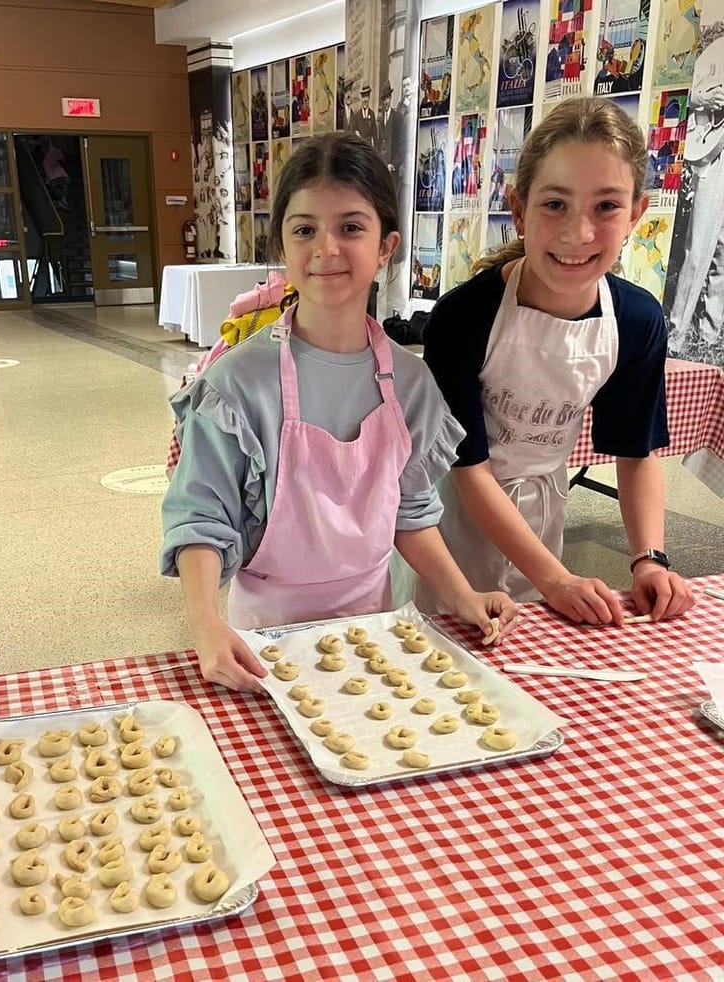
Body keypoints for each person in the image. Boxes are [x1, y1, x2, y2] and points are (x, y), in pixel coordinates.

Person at [161, 132, 517, 692]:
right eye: (304, 229)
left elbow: (410, 513)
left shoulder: (411, 383)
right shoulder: (235, 384)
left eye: (351, 227)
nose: (326, 248)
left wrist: (460, 594)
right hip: (264, 636)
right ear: (282, 245)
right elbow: (201, 519)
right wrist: (205, 623)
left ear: (385, 246)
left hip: (376, 622)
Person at [419, 96, 695, 626]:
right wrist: (555, 578)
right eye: (555, 205)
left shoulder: (636, 321)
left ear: (637, 213)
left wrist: (648, 558)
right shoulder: (463, 318)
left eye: (606, 206)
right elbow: (468, 466)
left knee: (529, 647)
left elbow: (636, 453)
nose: (578, 233)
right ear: (518, 208)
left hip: (544, 507)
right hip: (453, 515)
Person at [667, 28, 724, 357]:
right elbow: (680, 92)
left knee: (722, 253)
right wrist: (704, 98)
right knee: (699, 248)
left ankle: (709, 333)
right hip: (713, 155)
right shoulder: (715, 52)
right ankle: (676, 333)